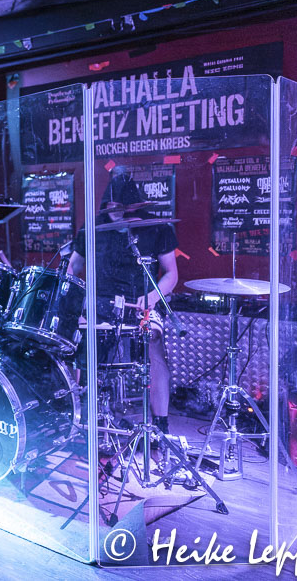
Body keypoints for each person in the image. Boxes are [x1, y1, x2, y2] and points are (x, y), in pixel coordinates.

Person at [66, 171, 178, 435]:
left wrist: (153, 296)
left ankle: (160, 423)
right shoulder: (92, 228)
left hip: (142, 304)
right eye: (112, 206)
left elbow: (171, 274)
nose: (116, 212)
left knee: (154, 343)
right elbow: (72, 267)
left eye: (122, 207)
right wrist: (78, 303)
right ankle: (81, 413)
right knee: (76, 342)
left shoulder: (157, 227)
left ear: (134, 205)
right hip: (100, 304)